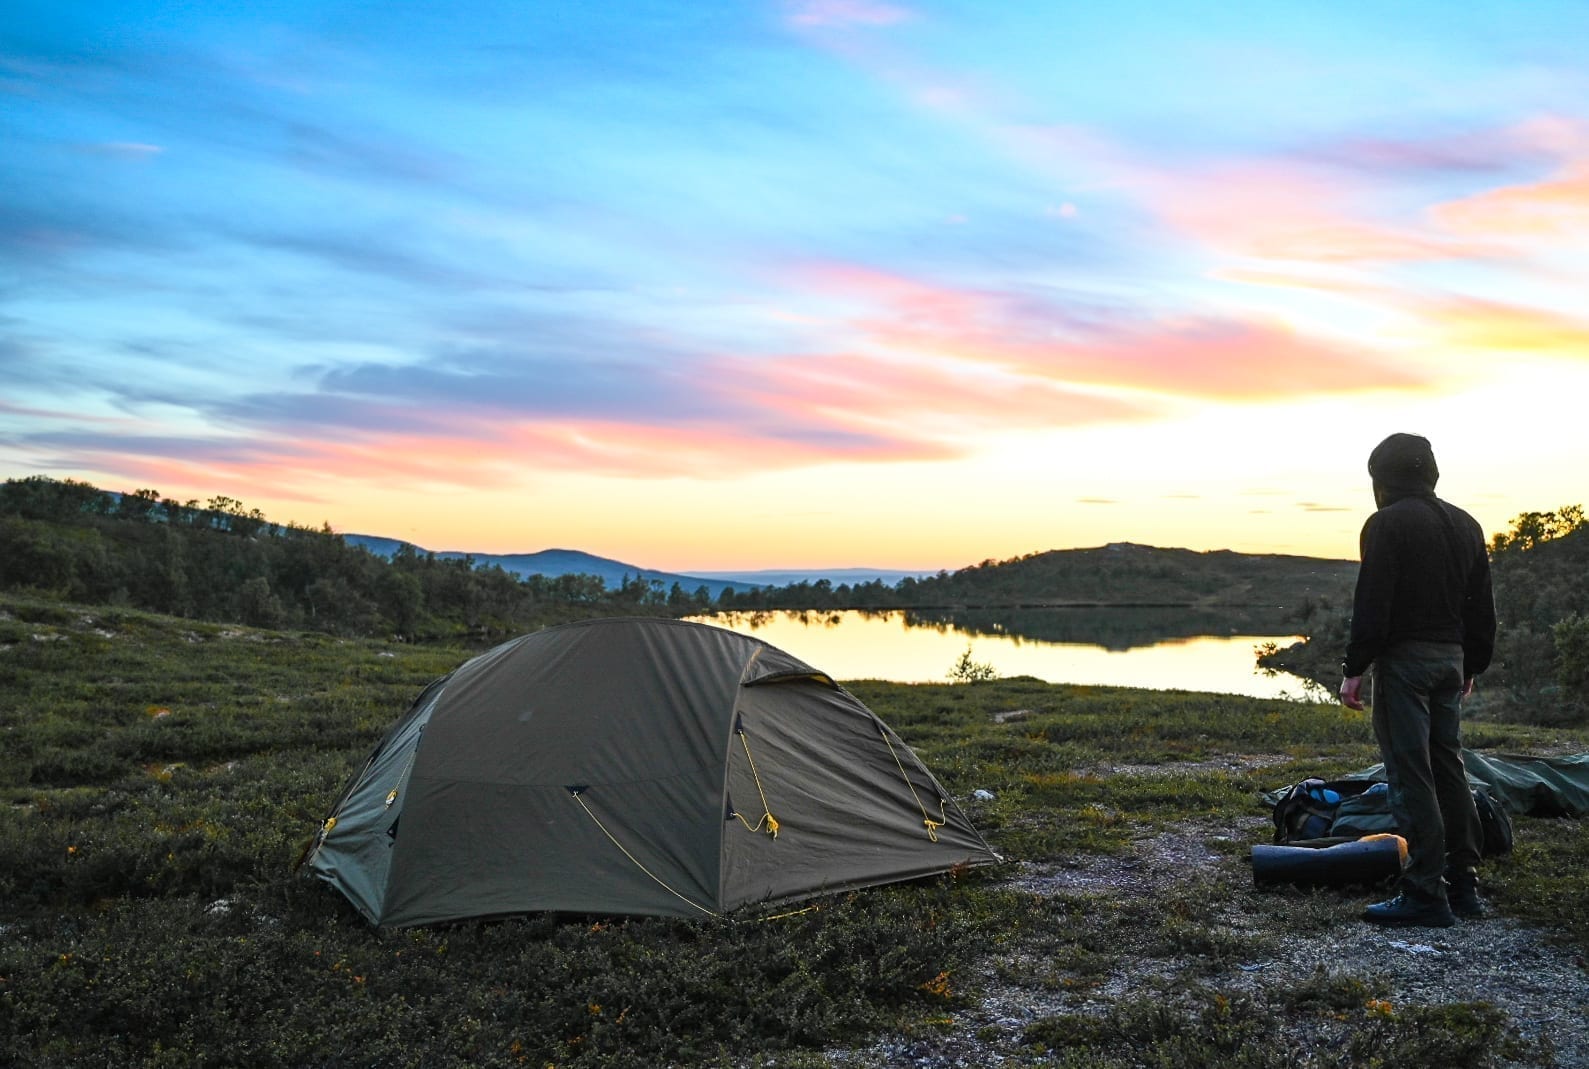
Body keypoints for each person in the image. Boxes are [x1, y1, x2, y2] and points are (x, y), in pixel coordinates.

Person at [1339, 433, 1496, 927]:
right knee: (1448, 766)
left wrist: (1354, 669)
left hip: (1406, 662)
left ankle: (1425, 891)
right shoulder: (1466, 524)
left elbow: (1374, 602)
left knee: (1411, 774)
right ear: (1429, 475)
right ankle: (1463, 883)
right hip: (1451, 660)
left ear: (1381, 480)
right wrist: (1471, 664)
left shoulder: (1386, 524)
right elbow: (1481, 607)